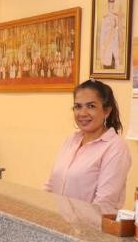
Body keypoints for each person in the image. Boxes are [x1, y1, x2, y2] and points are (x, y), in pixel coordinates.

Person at [44, 79, 132, 214]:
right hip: (57, 222)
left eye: (91, 106)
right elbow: (50, 185)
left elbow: (104, 204)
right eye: (78, 106)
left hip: (90, 226)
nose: (83, 113)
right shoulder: (71, 141)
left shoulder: (115, 147)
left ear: (106, 111)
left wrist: (71, 223)